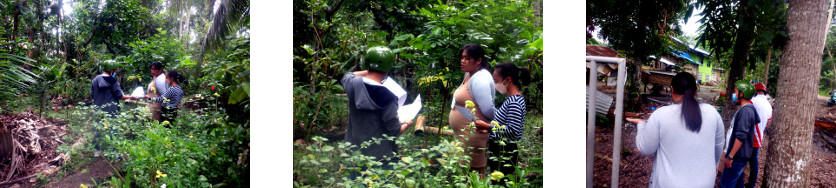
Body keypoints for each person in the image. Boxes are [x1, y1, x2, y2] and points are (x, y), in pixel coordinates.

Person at [625, 72, 725, 188]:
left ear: (672, 89)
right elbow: (718, 145)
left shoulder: (660, 115)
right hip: (705, 183)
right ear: (695, 91)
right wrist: (716, 164)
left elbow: (646, 148)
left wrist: (642, 125)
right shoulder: (712, 113)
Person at [342, 46, 413, 179]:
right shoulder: (388, 96)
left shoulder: (352, 84)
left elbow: (347, 75)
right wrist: (407, 123)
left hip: (353, 152)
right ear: (388, 67)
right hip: (380, 158)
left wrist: (370, 70)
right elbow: (394, 131)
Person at [473, 62, 530, 184]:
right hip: (501, 150)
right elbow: (506, 127)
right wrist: (489, 129)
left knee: (501, 183)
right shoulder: (512, 99)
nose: (495, 84)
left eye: (496, 80)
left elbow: (513, 131)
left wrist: (488, 127)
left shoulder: (514, 102)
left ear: (508, 80)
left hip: (504, 152)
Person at [449, 44, 496, 176]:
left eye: (467, 58)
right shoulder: (469, 74)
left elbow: (488, 110)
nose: (462, 61)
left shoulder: (480, 78)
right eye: (462, 57)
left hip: (474, 135)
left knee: (476, 173)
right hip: (465, 135)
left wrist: (493, 124)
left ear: (478, 61)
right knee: (466, 173)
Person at [719, 80, 760, 188]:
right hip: (739, 155)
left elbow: (741, 136)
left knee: (726, 184)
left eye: (736, 92)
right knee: (738, 184)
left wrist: (730, 156)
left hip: (737, 156)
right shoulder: (745, 109)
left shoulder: (746, 111)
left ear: (742, 94)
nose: (734, 94)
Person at [742, 83, 772, 188]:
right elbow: (768, 121)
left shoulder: (752, 101)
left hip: (748, 136)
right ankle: (751, 184)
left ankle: (740, 183)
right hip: (759, 137)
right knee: (754, 162)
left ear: (756, 91)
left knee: (742, 160)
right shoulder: (769, 106)